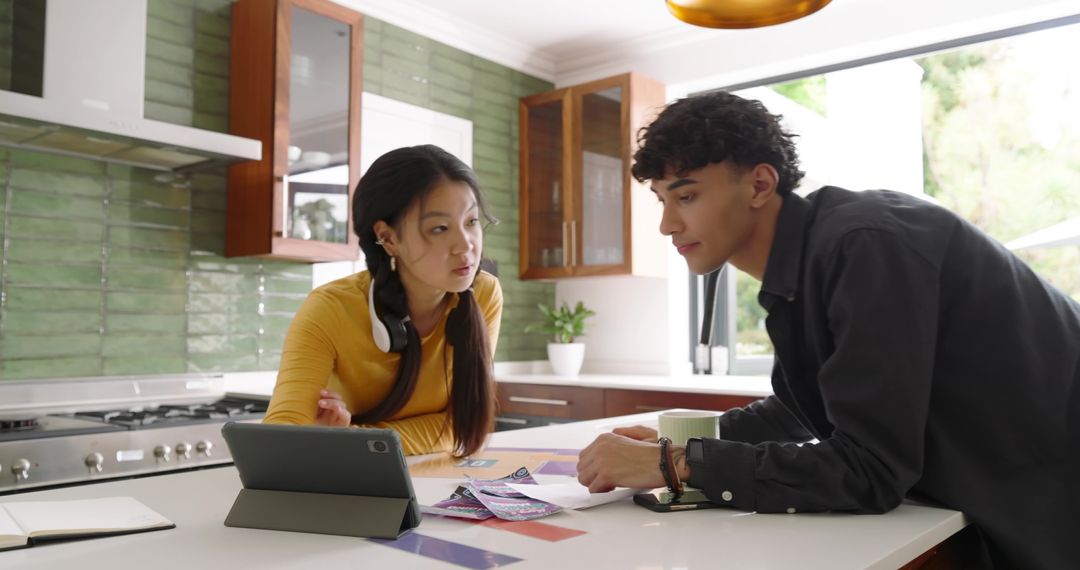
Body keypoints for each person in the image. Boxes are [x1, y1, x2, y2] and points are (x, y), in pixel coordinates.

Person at [575, 91, 1078, 568]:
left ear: (759, 184)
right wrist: (679, 440)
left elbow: (870, 471)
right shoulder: (809, 264)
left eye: (685, 196)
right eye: (661, 200)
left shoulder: (864, 245)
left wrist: (677, 464)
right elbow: (797, 408)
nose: (667, 225)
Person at [263, 145, 503, 457]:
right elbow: (281, 436)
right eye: (440, 228)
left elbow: (462, 423)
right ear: (388, 238)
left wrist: (351, 439)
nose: (465, 246)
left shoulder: (483, 293)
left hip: (427, 481)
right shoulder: (331, 308)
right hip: (347, 486)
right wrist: (325, 438)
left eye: (471, 221)